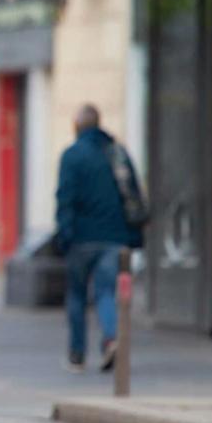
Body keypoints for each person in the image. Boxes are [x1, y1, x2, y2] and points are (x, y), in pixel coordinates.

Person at [55, 104, 144, 373]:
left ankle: (77, 354)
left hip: (82, 238)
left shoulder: (72, 156)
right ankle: (110, 338)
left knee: (77, 296)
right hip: (115, 237)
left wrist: (64, 234)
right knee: (106, 292)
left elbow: (65, 198)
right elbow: (134, 195)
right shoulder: (117, 153)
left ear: (77, 127)